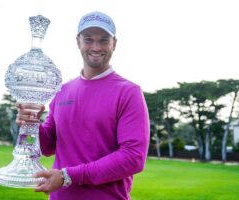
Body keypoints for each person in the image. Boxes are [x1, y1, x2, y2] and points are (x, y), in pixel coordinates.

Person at [16, 11, 150, 200]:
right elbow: (47, 146)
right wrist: (31, 123)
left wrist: (67, 176)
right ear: (78, 42)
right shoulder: (61, 90)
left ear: (114, 44)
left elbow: (133, 158)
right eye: (89, 39)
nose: (96, 47)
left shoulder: (129, 92)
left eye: (103, 40)